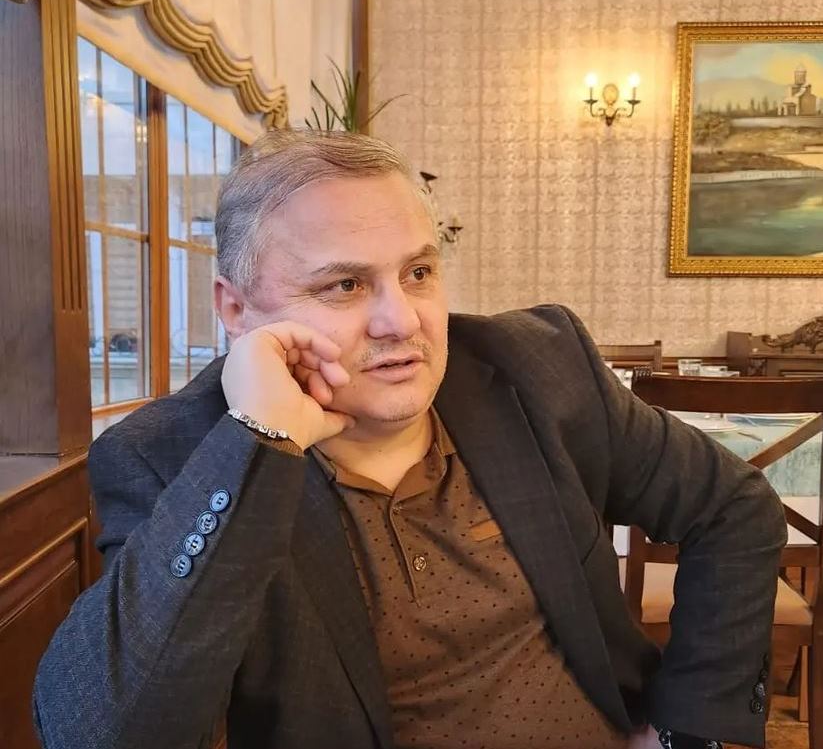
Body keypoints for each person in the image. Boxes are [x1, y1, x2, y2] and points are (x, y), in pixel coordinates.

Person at [34, 131, 785, 749]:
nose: (402, 321)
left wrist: (690, 731)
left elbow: (733, 506)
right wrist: (259, 442)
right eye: (345, 285)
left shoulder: (536, 367)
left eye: (418, 271)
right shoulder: (173, 455)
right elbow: (97, 733)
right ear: (236, 309)